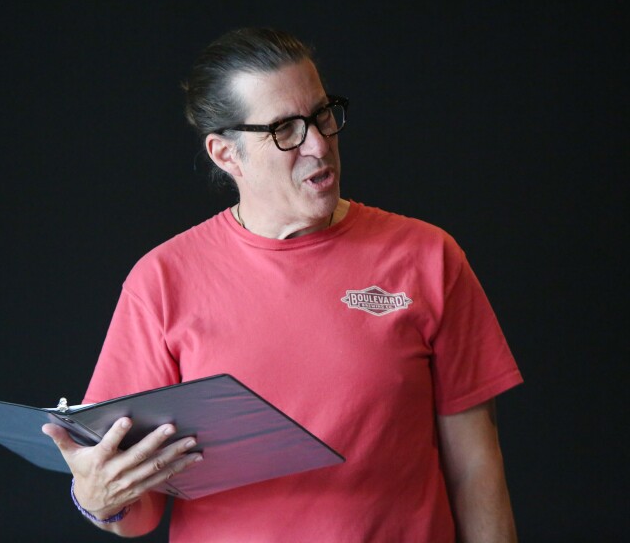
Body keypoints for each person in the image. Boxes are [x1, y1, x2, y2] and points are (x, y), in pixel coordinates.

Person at [42, 28, 522, 542]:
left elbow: (476, 465)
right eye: (285, 130)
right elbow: (136, 510)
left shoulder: (428, 257)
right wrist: (97, 499)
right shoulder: (162, 281)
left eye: (321, 115)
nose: (318, 143)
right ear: (226, 154)